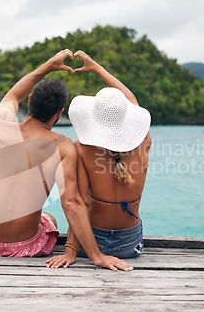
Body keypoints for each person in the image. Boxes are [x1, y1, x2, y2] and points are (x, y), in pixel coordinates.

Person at [0, 49, 132, 271]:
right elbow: (72, 202)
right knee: (49, 219)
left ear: (30, 101)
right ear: (59, 113)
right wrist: (96, 256)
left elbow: (12, 95)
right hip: (27, 248)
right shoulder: (63, 146)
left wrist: (49, 64)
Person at [46, 50, 151, 269]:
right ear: (127, 117)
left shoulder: (80, 149)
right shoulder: (144, 141)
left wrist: (71, 250)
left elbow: (80, 203)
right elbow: (132, 101)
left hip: (91, 243)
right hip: (130, 244)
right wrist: (97, 68)